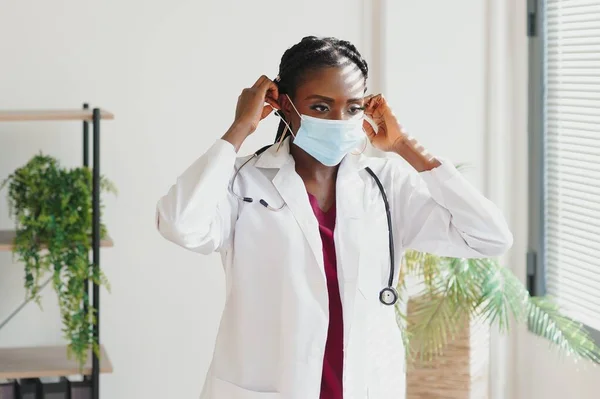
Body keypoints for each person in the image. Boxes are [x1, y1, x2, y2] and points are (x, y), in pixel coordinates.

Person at [156, 36, 513, 399]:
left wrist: (405, 146)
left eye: (353, 108)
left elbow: (489, 237)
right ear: (282, 105)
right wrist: (239, 129)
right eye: (321, 107)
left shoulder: (386, 185)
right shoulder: (241, 181)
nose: (339, 121)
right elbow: (180, 224)